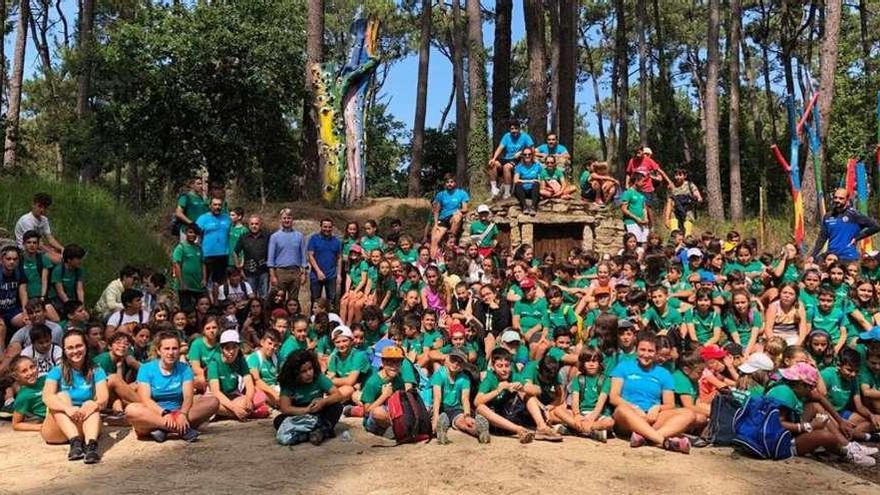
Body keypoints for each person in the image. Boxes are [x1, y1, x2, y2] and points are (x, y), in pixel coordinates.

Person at [609, 331, 695, 453]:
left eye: (650, 351)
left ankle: (646, 438)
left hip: (653, 418)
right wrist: (635, 408)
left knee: (689, 414)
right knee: (621, 410)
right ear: (636, 350)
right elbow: (614, 397)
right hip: (628, 418)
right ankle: (662, 440)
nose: (646, 354)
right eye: (642, 350)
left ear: (656, 353)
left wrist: (657, 408)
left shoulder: (664, 374)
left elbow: (670, 404)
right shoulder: (623, 366)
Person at [125, 331, 219, 442]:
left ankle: (163, 430)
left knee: (213, 401)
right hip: (155, 414)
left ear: (179, 350)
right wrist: (164, 413)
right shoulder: (146, 369)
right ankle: (181, 429)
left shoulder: (185, 369)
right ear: (159, 351)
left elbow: (188, 397)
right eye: (167, 349)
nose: (171, 352)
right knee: (131, 410)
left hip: (179, 412)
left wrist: (183, 414)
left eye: (174, 349)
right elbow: (146, 399)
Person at [41, 329, 108, 464]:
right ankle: (75, 443)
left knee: (92, 403)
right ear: (64, 351)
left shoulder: (97, 370)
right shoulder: (56, 371)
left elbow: (103, 399)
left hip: (84, 422)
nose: (75, 351)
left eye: (79, 346)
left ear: (85, 346)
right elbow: (47, 397)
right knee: (62, 396)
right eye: (70, 348)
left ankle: (91, 446)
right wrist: (67, 409)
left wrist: (89, 406)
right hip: (60, 426)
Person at [431, 348, 490, 444]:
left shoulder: (464, 378)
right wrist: (435, 416)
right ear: (446, 359)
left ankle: (479, 431)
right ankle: (441, 430)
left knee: (462, 423)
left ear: (463, 366)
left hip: (456, 409)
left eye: (460, 362)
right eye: (453, 360)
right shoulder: (439, 374)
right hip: (441, 408)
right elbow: (437, 398)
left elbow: (465, 398)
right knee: (438, 420)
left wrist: (467, 415)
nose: (456, 364)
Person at [811, 188, 880, 263]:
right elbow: (822, 237)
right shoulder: (828, 216)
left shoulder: (853, 214)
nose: (837, 200)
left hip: (848, 257)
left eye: (841, 198)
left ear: (847, 200)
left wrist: (857, 238)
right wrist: (813, 255)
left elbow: (875, 227)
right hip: (832, 257)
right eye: (835, 197)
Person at [208, 329, 257, 420]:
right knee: (211, 405)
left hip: (233, 396)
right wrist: (234, 408)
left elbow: (249, 383)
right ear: (221, 348)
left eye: (234, 347)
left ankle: (226, 414)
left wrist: (248, 399)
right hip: (217, 398)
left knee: (256, 398)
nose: (231, 351)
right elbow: (216, 392)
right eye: (227, 348)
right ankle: (238, 413)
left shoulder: (240, 359)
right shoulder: (214, 362)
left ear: (239, 347)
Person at [360, 345, 407, 436]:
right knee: (378, 412)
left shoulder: (399, 380)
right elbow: (367, 411)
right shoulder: (372, 382)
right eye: (390, 362)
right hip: (373, 420)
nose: (394, 366)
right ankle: (397, 428)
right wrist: (384, 395)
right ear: (383, 362)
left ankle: (395, 428)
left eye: (398, 362)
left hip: (391, 412)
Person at [268, 208, 308, 299]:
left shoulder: (299, 236)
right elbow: (271, 259)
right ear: (281, 219)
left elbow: (303, 256)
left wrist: (304, 274)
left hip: (295, 272)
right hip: (280, 272)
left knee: (293, 300)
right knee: (279, 299)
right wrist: (272, 276)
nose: (287, 220)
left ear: (292, 219)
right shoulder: (275, 237)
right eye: (284, 218)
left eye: (289, 218)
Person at [488, 120, 535, 199]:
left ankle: (507, 192)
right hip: (507, 158)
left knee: (506, 167)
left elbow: (532, 149)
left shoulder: (525, 136)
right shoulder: (507, 136)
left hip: (518, 160)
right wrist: (494, 158)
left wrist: (521, 152)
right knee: (493, 164)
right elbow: (500, 147)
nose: (514, 131)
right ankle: (494, 189)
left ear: (519, 129)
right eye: (512, 129)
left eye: (516, 128)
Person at [195, 196, 232, 293]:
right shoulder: (202, 219)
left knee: (219, 283)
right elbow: (195, 235)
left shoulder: (227, 218)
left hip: (223, 254)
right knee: (205, 282)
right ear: (210, 206)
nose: (217, 207)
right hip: (207, 255)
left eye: (219, 205)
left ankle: (218, 304)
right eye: (215, 205)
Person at [14, 192, 64, 264]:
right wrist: (52, 252)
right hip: (25, 250)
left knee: (65, 255)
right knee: (59, 260)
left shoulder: (44, 220)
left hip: (37, 247)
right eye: (39, 206)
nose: (42, 210)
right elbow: (35, 243)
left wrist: (62, 248)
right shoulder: (26, 220)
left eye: (45, 208)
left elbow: (50, 238)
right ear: (33, 205)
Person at [430, 173, 470, 257]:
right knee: (435, 239)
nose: (449, 184)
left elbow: (465, 209)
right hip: (443, 218)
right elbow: (436, 210)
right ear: (445, 184)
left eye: (451, 182)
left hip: (454, 217)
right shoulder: (441, 194)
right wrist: (435, 224)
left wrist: (459, 211)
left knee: (457, 216)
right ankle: (432, 261)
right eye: (447, 182)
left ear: (455, 183)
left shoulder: (461, 193)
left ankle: (450, 238)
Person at [172, 224, 207, 312]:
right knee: (187, 310)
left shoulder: (199, 248)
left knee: (201, 309)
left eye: (195, 233)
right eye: (190, 232)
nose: (192, 235)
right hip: (185, 286)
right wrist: (181, 282)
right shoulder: (181, 247)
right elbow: (176, 264)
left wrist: (204, 279)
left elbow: (203, 264)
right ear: (186, 233)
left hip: (198, 285)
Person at [234, 214, 270, 298]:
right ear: (249, 225)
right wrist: (239, 267)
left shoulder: (267, 237)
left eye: (256, 224)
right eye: (252, 224)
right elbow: (235, 252)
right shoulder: (243, 237)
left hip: (264, 272)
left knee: (264, 296)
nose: (254, 226)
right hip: (249, 273)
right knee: (250, 297)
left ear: (260, 225)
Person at [307, 218, 342, 305]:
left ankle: (331, 317)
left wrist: (339, 274)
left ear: (332, 228)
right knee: (315, 301)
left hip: (331, 275)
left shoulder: (337, 241)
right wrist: (318, 272)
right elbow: (310, 256)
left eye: (329, 227)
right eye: (325, 227)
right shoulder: (314, 239)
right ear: (321, 226)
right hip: (316, 275)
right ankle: (314, 318)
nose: (327, 229)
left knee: (332, 302)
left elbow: (339, 258)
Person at [664, 169, 702, 236]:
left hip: (687, 212)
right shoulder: (671, 187)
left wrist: (697, 198)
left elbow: (699, 197)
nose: (677, 177)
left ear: (685, 176)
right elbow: (669, 203)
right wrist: (667, 219)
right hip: (675, 212)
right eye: (676, 175)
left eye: (680, 175)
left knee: (687, 233)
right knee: (675, 232)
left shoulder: (690, 185)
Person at [0, 245, 27, 330]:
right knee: (1, 328)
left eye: (15, 259)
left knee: (27, 322)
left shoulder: (19, 273)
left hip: (12, 310)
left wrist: (25, 312)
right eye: (8, 259)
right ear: (1, 260)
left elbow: (23, 293)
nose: (12, 262)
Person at [174, 176, 208, 241]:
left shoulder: (201, 198)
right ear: (192, 185)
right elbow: (178, 213)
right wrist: (191, 223)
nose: (201, 186)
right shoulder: (186, 197)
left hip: (199, 232)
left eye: (201, 184)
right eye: (198, 184)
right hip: (188, 231)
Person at [620, 172, 650, 245]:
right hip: (632, 222)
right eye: (642, 181)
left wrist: (646, 219)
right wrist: (636, 219)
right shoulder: (628, 193)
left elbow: (644, 208)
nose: (644, 183)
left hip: (643, 223)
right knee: (635, 243)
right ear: (636, 181)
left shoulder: (642, 194)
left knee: (645, 243)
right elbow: (624, 209)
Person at [513, 147, 542, 216]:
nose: (527, 156)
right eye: (525, 154)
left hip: (533, 190)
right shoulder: (519, 167)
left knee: (536, 184)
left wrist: (535, 181)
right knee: (518, 184)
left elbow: (540, 180)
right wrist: (530, 180)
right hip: (522, 190)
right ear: (522, 155)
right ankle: (524, 207)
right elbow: (515, 180)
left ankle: (533, 207)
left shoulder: (537, 166)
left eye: (529, 154)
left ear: (532, 155)